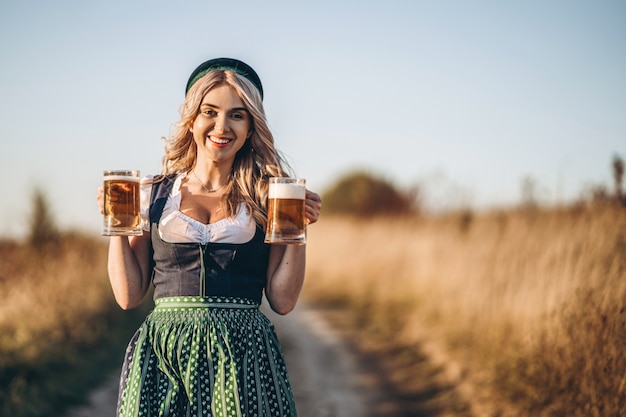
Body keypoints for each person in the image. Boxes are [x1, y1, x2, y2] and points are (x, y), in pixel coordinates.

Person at [97, 57, 322, 417]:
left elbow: (282, 301)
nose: (222, 126)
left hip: (243, 357)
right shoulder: (152, 194)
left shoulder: (270, 198)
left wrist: (299, 231)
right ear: (191, 121)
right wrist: (116, 226)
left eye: (237, 114)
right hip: (164, 355)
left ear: (251, 127)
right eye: (210, 111)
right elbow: (128, 295)